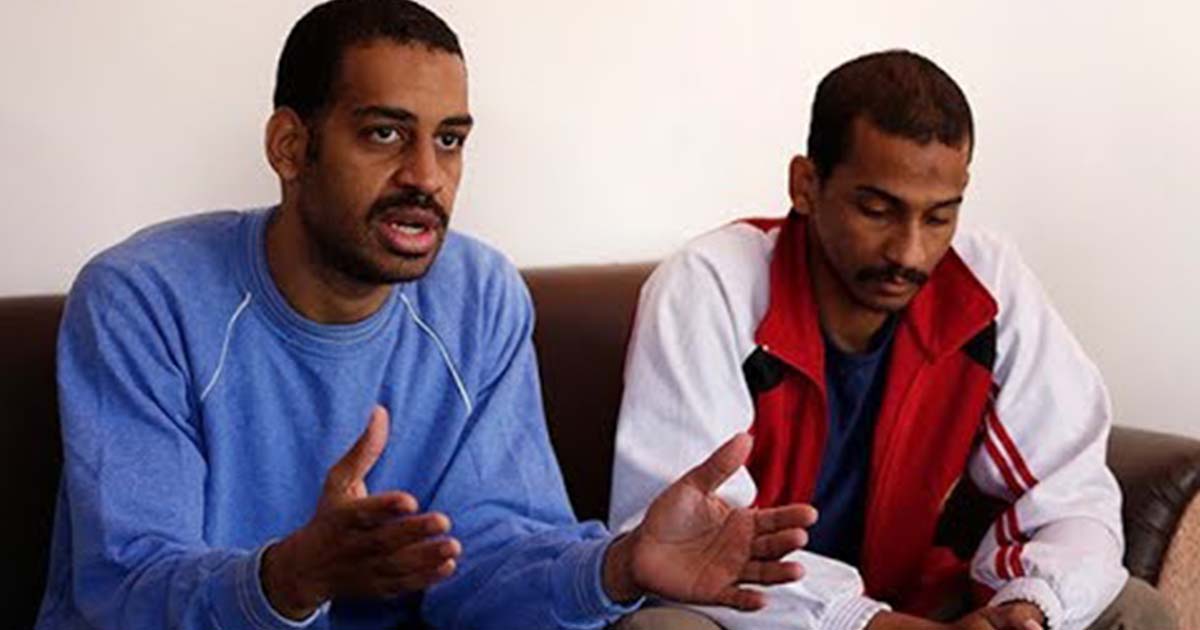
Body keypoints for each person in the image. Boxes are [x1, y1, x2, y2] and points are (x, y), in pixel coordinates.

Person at [35, 1, 819, 628]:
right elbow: (124, 589)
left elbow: (487, 563)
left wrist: (619, 566)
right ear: (289, 146)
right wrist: (290, 578)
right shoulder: (144, 299)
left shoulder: (478, 295)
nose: (426, 176)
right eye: (384, 134)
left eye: (449, 141)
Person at [609, 50, 1177, 630]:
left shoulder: (987, 285)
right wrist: (867, 623)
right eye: (877, 211)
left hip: (922, 606)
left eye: (939, 218)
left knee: (1135, 610)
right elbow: (689, 546)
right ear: (806, 185)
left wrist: (1026, 608)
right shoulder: (711, 285)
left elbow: (1072, 493)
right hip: (766, 618)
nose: (909, 252)